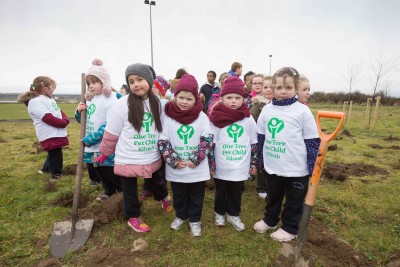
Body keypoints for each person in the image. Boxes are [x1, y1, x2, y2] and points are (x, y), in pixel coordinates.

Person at [98, 63, 172, 233]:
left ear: (150, 80)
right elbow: (111, 133)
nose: (136, 84)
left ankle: (164, 198)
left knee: (157, 182)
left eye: (140, 79)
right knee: (129, 191)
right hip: (128, 158)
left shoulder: (159, 104)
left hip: (150, 156)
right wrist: (104, 153)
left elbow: (164, 128)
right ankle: (133, 217)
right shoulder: (122, 104)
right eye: (131, 81)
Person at [253, 67, 320, 242]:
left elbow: (312, 140)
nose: (283, 92)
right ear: (273, 88)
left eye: (289, 88)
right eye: (279, 87)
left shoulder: (302, 111)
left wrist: (312, 166)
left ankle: (290, 227)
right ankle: (270, 219)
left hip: (296, 168)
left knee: (294, 200)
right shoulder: (267, 110)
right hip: (273, 165)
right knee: (273, 196)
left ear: (295, 88)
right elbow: (261, 136)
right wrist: (260, 160)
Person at [158, 74, 213, 237]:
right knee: (179, 193)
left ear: (196, 100)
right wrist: (173, 160)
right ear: (175, 97)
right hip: (177, 167)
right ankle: (181, 216)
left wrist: (195, 158)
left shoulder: (202, 117)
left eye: (189, 99)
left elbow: (208, 139)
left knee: (196, 195)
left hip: (196, 167)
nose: (184, 102)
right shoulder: (168, 117)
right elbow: (162, 140)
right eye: (181, 97)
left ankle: (195, 220)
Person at [209, 76, 257, 231]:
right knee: (221, 190)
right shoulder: (216, 119)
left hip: (240, 165)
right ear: (222, 98)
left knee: (236, 191)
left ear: (243, 99)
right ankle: (219, 213)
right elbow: (211, 143)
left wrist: (253, 163)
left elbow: (254, 142)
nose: (233, 101)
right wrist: (211, 163)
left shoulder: (248, 119)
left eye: (238, 98)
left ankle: (233, 214)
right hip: (222, 165)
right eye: (229, 97)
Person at [75, 59, 122, 200]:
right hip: (91, 145)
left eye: (94, 82)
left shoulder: (111, 99)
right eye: (88, 83)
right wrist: (79, 112)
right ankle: (108, 191)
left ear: (104, 82)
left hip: (105, 143)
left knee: (109, 170)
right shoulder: (89, 99)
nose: (90, 86)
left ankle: (120, 191)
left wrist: (92, 138)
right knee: (98, 169)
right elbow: (82, 121)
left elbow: (111, 123)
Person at [18, 76, 69, 180]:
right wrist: (63, 123)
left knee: (53, 150)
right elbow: (47, 117)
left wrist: (65, 119)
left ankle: (44, 169)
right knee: (55, 152)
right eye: (52, 87)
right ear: (45, 88)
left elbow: (58, 111)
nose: (53, 89)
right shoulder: (35, 101)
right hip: (48, 132)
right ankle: (56, 175)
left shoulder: (49, 99)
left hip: (56, 130)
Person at [250, 75, 273, 199]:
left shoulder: (278, 104)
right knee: (261, 162)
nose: (268, 89)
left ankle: (271, 185)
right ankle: (261, 187)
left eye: (271, 87)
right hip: (261, 138)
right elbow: (252, 120)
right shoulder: (258, 104)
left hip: (274, 139)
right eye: (265, 87)